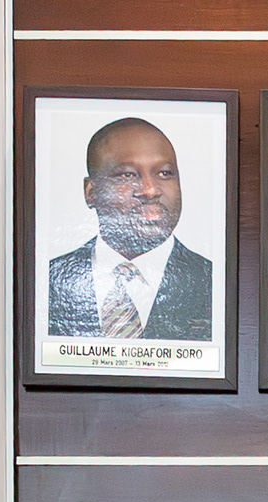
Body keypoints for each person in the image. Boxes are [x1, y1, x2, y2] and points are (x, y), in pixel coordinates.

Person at [49, 116, 216, 342]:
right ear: (91, 192)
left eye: (164, 173)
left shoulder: (214, 283)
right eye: (127, 175)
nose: (150, 190)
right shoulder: (48, 282)